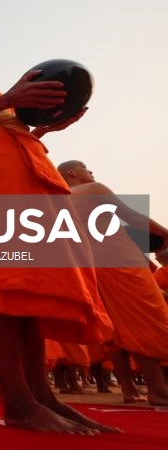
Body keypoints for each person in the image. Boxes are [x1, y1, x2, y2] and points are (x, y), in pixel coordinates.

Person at [0, 21, 117, 433]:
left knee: (30, 283)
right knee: (4, 279)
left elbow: (6, 128)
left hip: (26, 175)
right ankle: (17, 400)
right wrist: (11, 99)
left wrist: (46, 127)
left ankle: (41, 395)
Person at [57, 160, 168, 405]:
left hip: (91, 268)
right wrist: (165, 233)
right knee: (144, 317)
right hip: (121, 261)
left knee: (115, 329)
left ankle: (129, 390)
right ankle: (158, 389)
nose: (90, 172)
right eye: (85, 167)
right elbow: (132, 216)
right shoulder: (93, 188)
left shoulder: (57, 199)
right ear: (71, 172)